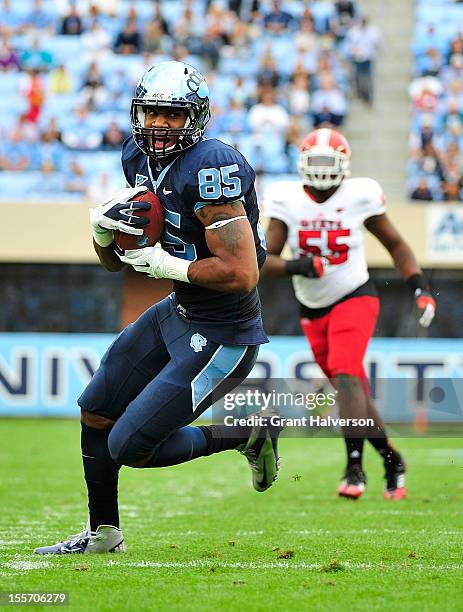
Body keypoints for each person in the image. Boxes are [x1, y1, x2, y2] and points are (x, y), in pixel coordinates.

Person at [34, 60, 280, 555]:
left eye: (173, 114)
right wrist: (101, 232)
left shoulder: (212, 167)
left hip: (223, 333)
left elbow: (242, 273)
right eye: (152, 112)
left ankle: (247, 433)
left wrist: (163, 264)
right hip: (180, 311)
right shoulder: (137, 158)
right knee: (96, 408)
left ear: (196, 116)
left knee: (131, 447)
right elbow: (116, 263)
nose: (159, 124)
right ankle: (103, 534)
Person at [263, 127, 437, 500]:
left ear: (345, 165)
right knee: (350, 387)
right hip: (312, 305)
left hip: (355, 294)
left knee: (345, 372)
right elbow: (264, 260)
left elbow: (396, 244)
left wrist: (419, 288)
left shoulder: (361, 194)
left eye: (330, 162)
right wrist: (299, 266)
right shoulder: (286, 198)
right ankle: (392, 460)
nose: (323, 170)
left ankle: (354, 468)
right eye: (317, 162)